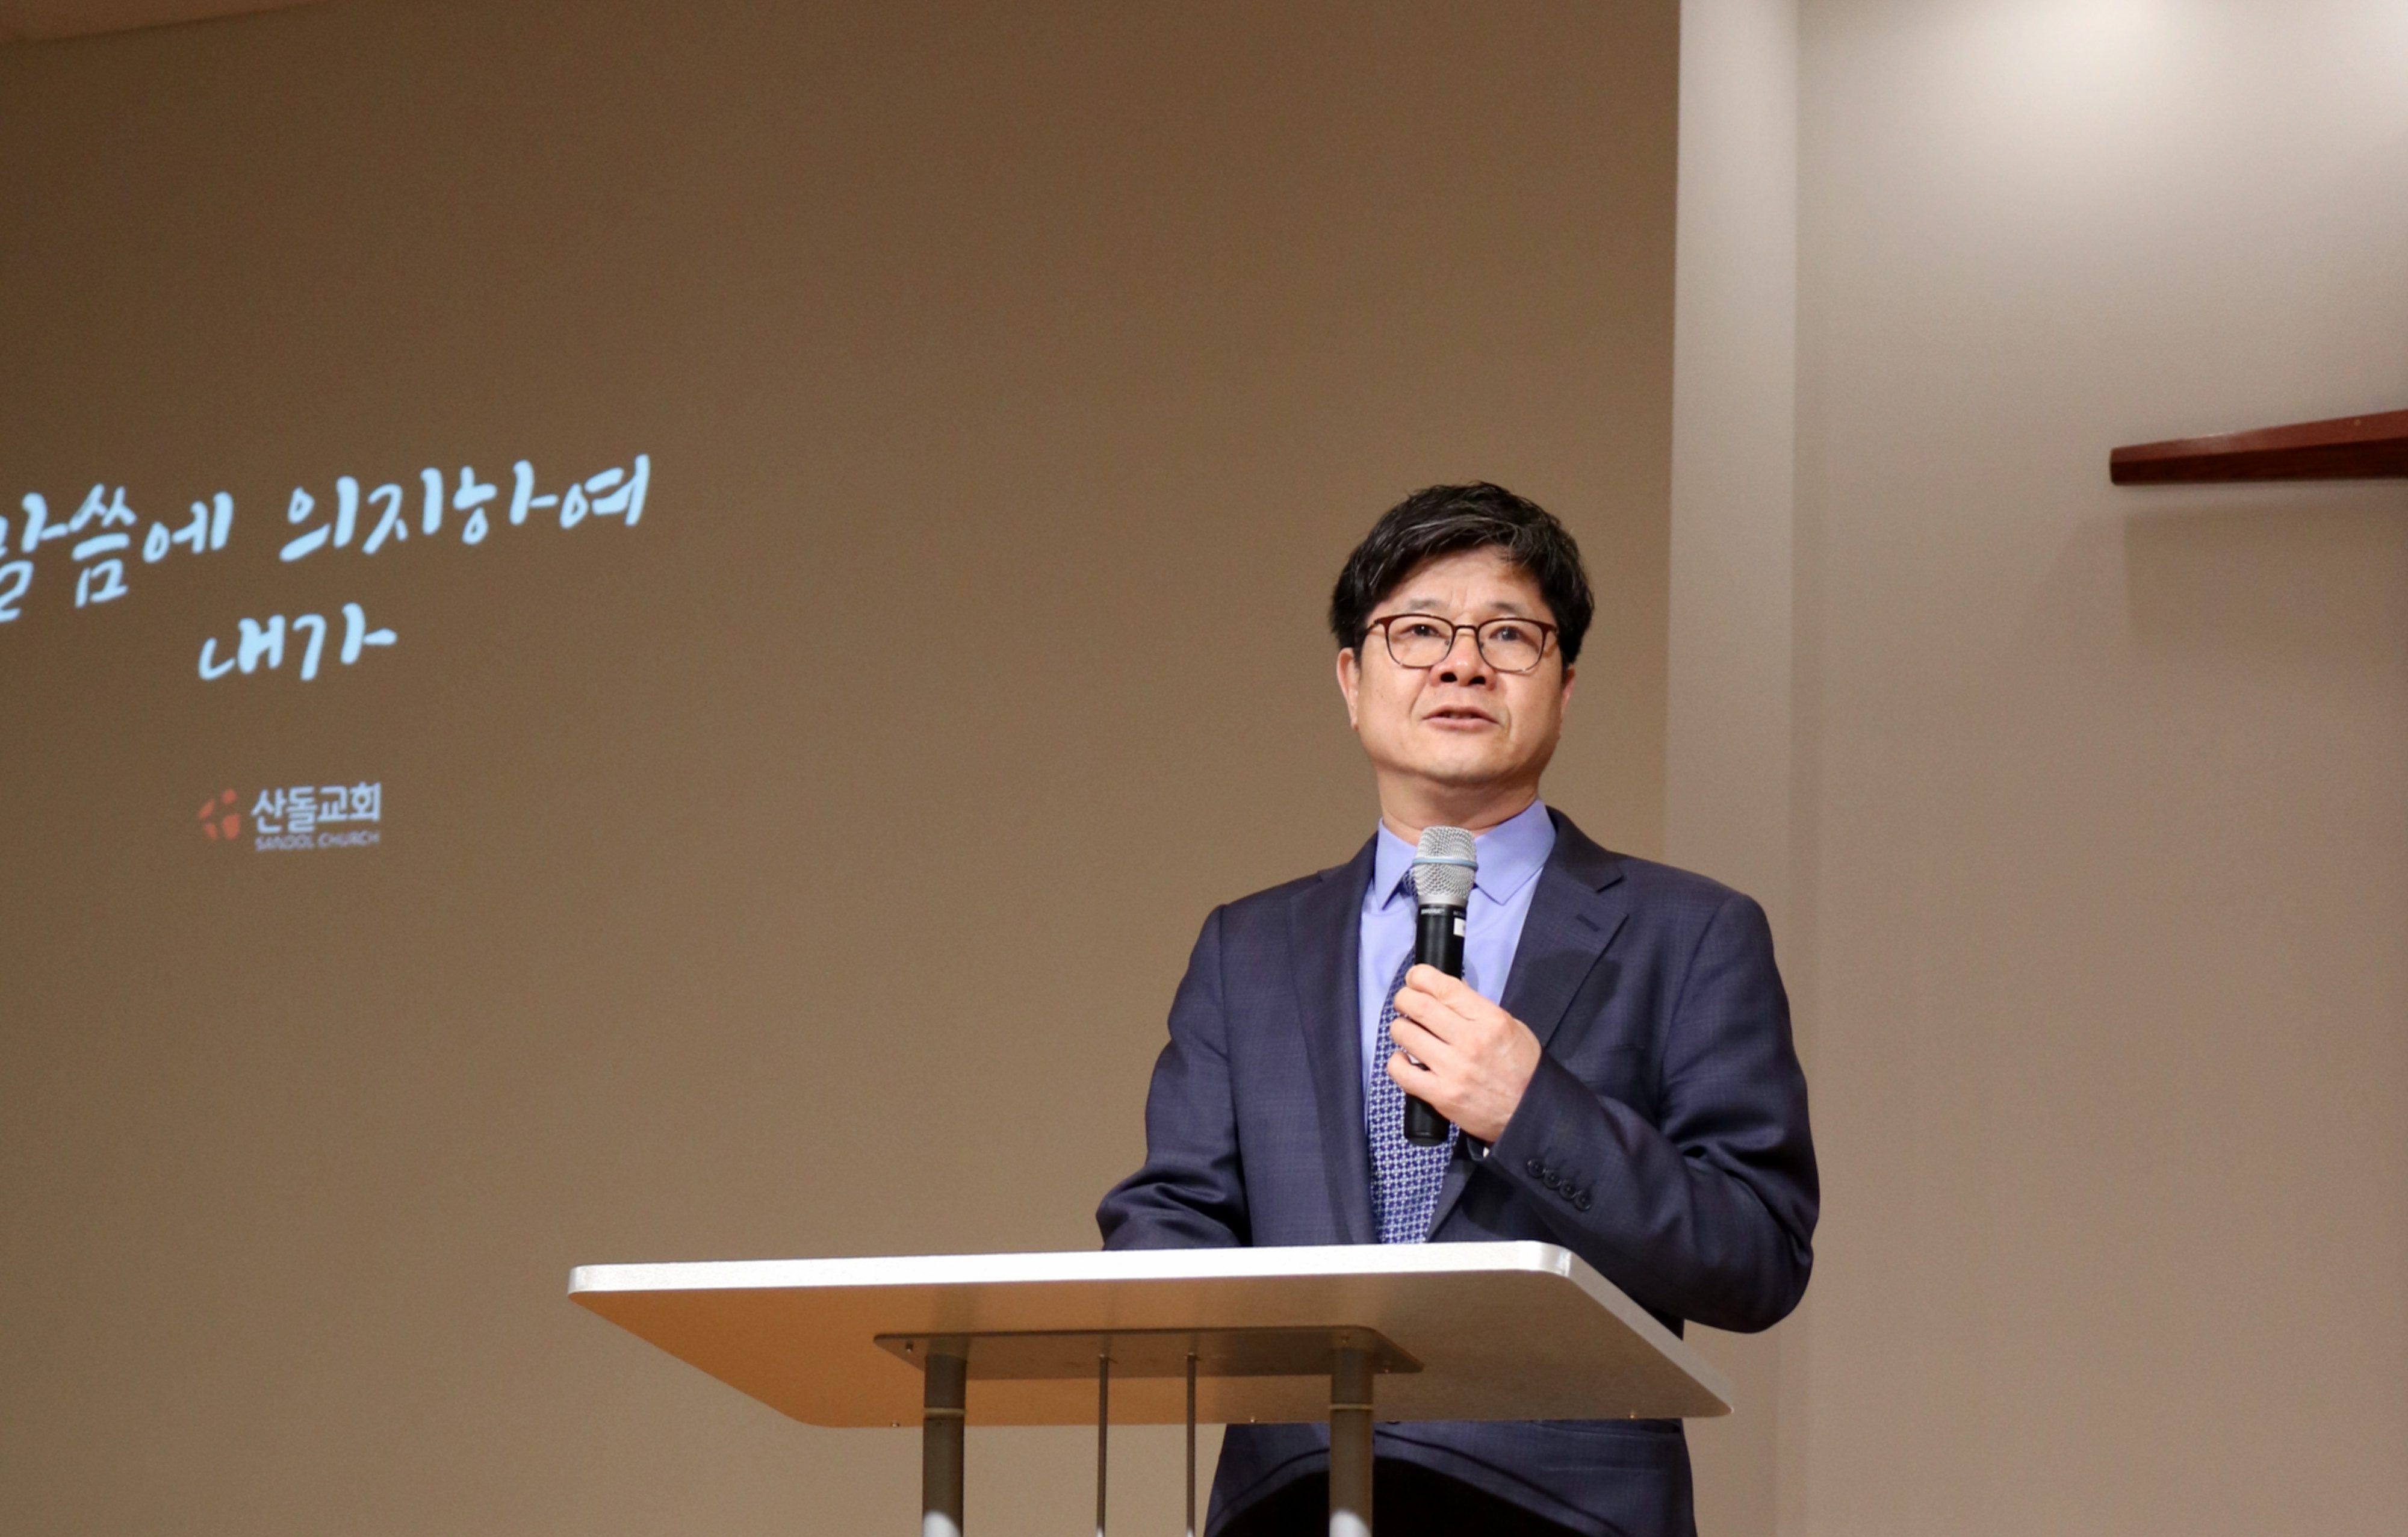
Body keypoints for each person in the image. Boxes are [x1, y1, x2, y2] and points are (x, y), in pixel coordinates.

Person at [1096, 483, 1818, 1537]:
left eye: (1509, 634)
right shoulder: (1247, 947)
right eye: (1419, 630)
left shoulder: (1692, 932)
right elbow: (1173, 1215)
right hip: (1295, 1502)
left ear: (1566, 686)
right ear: (1352, 681)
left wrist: (1534, 1110)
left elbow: (1757, 1253)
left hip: (1563, 1511)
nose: (1462, 664)